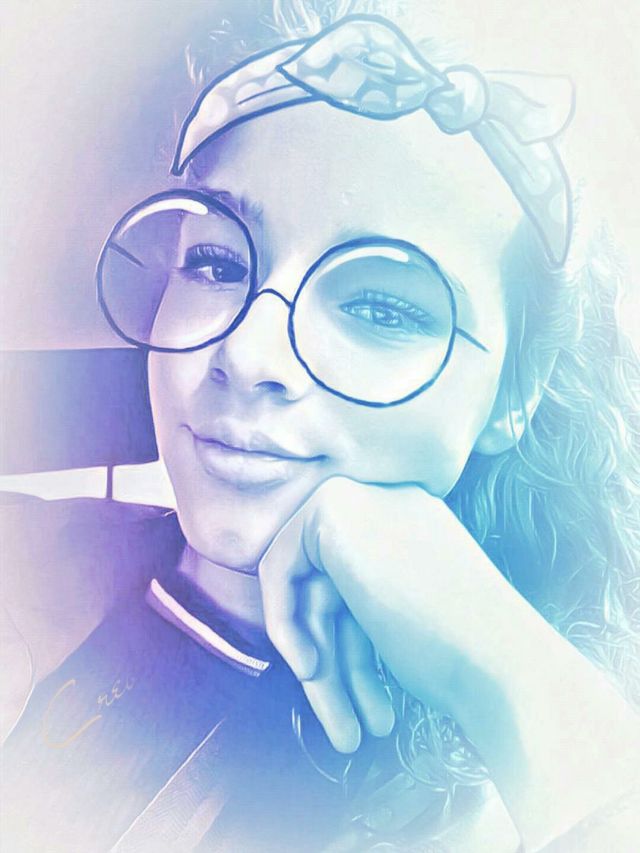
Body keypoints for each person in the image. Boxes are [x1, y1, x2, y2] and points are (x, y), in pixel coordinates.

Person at [2, 3, 639, 851]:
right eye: (216, 262)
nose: (247, 351)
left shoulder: (506, 809)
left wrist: (511, 683)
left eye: (380, 305)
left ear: (515, 391)